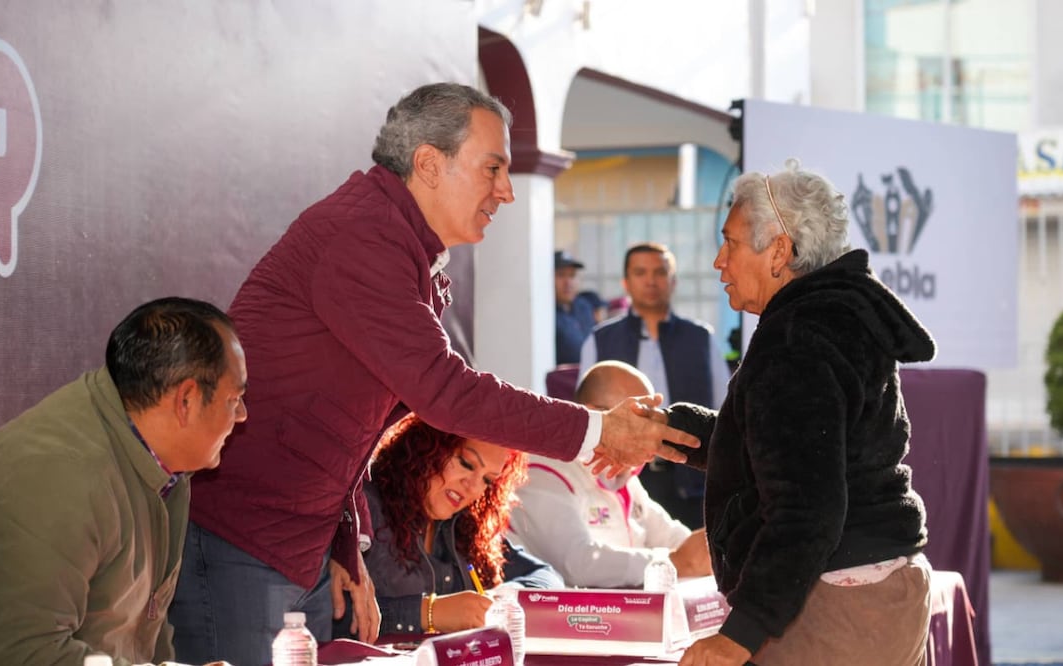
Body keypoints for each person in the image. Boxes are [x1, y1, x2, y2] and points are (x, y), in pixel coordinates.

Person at [170, 82, 697, 666]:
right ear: (428, 163)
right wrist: (599, 431)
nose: (506, 192)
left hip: (303, 543)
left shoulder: (407, 249)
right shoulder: (362, 235)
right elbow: (444, 391)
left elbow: (353, 429)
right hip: (246, 536)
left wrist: (346, 540)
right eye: (493, 168)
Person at [669, 159, 936, 666]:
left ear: (779, 252)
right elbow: (798, 449)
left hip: (837, 606)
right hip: (881, 590)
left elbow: (807, 506)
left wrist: (738, 635)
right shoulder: (837, 315)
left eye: (730, 243)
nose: (718, 261)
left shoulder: (795, 337)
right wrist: (674, 431)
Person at [0, 297, 247, 666]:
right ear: (186, 400)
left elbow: (142, 635)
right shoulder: (61, 478)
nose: (241, 415)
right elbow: (20, 653)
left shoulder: (166, 463)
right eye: (234, 399)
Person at [332, 413, 562, 637]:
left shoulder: (467, 524)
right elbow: (325, 622)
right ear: (427, 446)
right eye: (466, 464)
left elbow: (546, 576)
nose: (472, 487)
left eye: (487, 480)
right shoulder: (364, 510)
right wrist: (428, 613)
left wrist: (503, 597)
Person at [509, 361, 712, 589]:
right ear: (595, 414)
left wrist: (708, 550)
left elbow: (678, 542)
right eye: (642, 421)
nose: (652, 435)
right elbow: (579, 565)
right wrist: (673, 563)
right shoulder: (541, 471)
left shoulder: (625, 476)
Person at [578, 242, 731, 529]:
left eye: (660, 272)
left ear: (673, 281)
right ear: (626, 281)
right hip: (622, 474)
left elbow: (724, 409)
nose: (650, 280)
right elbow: (586, 410)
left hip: (690, 477)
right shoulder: (600, 340)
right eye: (640, 272)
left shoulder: (700, 338)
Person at [554, 249, 596, 364]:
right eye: (561, 275)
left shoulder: (583, 306)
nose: (568, 282)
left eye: (572, 275)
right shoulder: (546, 313)